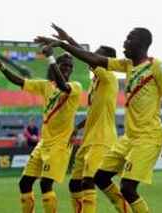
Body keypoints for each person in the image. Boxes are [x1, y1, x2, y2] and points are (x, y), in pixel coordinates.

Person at [36, 27, 162, 213]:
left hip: (145, 137)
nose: (125, 42)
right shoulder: (127, 66)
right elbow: (92, 58)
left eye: (129, 39)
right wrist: (67, 41)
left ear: (142, 43)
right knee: (100, 178)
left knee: (126, 187)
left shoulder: (155, 67)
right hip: (127, 138)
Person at [0, 45, 82, 213]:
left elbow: (63, 86)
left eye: (70, 66)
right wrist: (2, 67)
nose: (67, 68)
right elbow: (20, 81)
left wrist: (51, 58)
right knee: (24, 183)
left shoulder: (75, 86)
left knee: (45, 183)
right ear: (57, 67)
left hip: (59, 145)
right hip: (44, 143)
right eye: (64, 65)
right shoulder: (45, 86)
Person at [48, 24, 123, 213]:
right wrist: (78, 127)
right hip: (88, 139)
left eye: (97, 55)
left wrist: (67, 40)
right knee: (75, 185)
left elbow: (86, 57)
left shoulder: (108, 76)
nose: (93, 57)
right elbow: (93, 112)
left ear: (106, 60)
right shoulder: (95, 82)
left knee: (90, 181)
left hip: (102, 138)